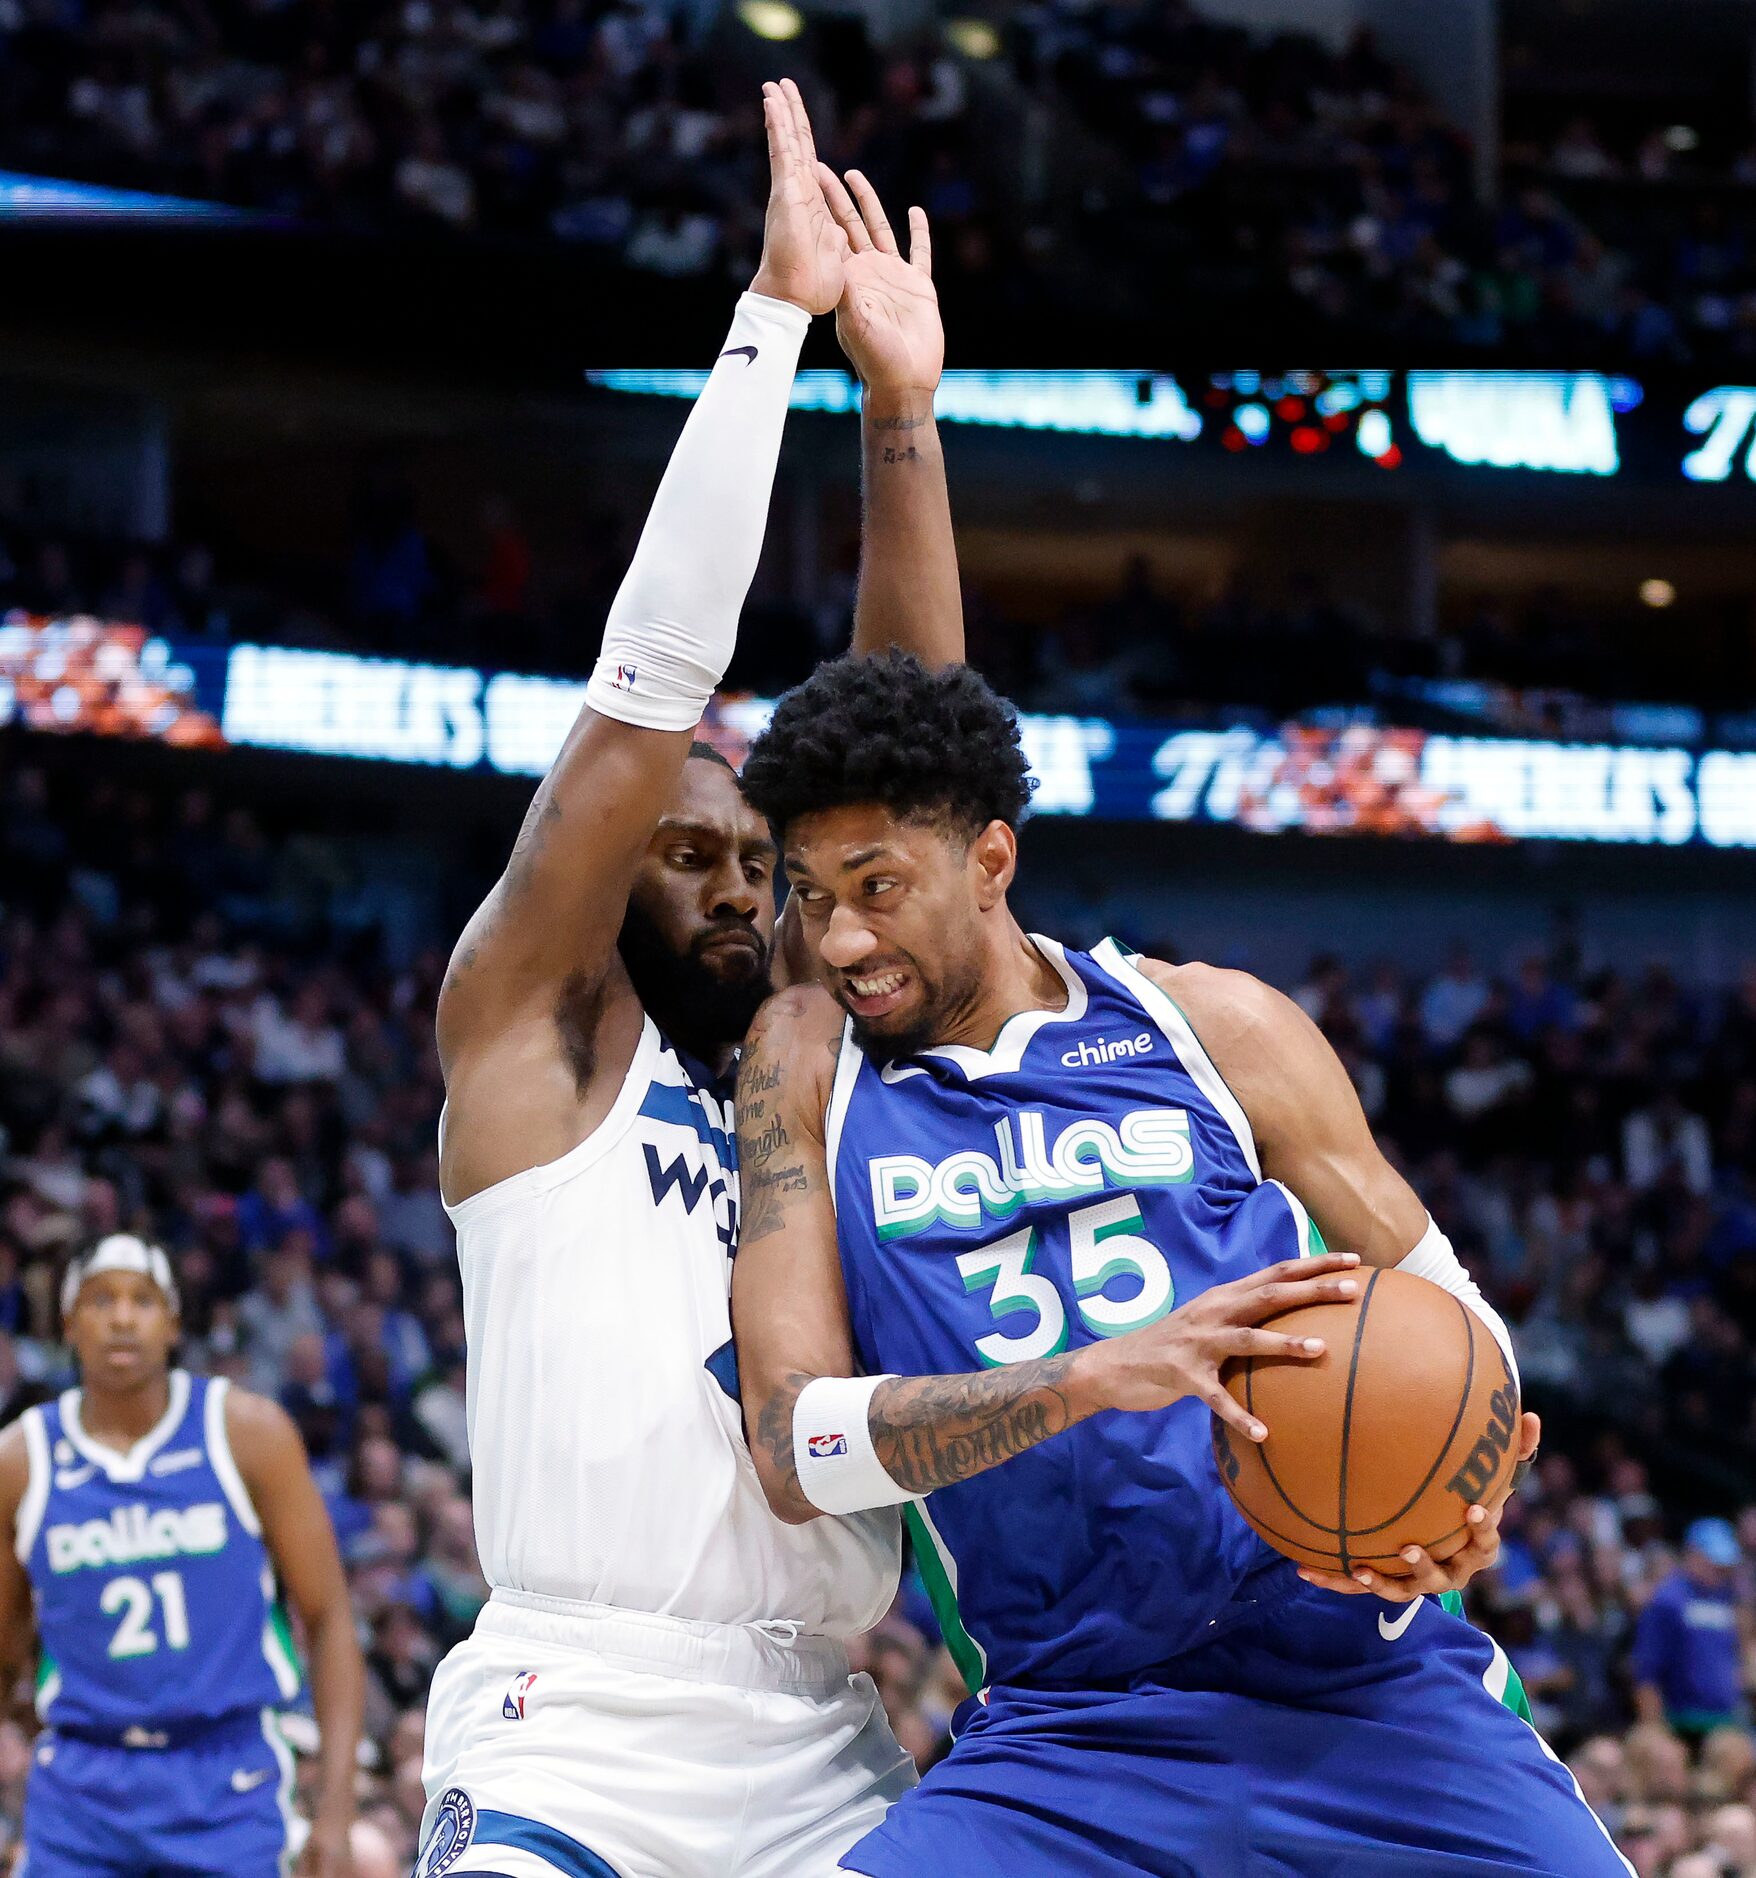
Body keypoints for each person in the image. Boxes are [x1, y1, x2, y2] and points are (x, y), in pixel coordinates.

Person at [729, 649, 1636, 1876]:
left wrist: (1470, 1499)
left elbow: (1452, 1315)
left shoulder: (1209, 1025)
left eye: (877, 886)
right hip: (1067, 1737)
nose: (840, 936)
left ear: (990, 860)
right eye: (809, 893)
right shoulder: (809, 1075)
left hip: (1368, 1693)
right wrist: (1098, 1376)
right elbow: (795, 1451)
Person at [423, 79, 963, 1878]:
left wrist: (902, 415)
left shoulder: (806, 1062)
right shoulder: (532, 1040)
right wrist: (769, 329)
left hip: (824, 1722)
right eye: (691, 852)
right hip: (573, 1712)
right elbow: (645, 689)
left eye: (760, 863)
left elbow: (904, 772)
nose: (739, 886)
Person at [0, 1233, 363, 1876]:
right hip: (82, 1787)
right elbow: (5, 1654)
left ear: (172, 1324)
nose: (120, 1316)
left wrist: (335, 1813)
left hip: (227, 1777)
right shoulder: (20, 1462)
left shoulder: (247, 1434)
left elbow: (330, 1616)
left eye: (142, 1300)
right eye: (100, 1299)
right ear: (67, 1324)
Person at [1631, 1518, 1748, 1739]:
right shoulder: (1668, 1600)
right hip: (1681, 1721)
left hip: (1725, 1719)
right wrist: (1654, 1730)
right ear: (1693, 1555)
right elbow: (1647, 1671)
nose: (1720, 1570)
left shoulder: (1726, 1598)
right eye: (1714, 1563)